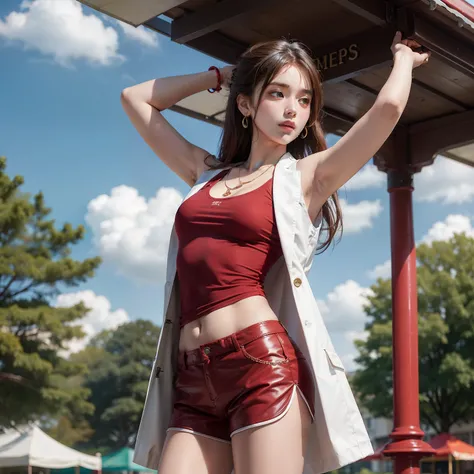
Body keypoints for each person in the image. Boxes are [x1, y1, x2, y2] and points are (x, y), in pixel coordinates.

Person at [120, 31, 430, 474]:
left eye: (304, 100)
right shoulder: (205, 174)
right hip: (190, 374)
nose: (292, 110)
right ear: (245, 104)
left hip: (258, 364)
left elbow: (386, 111)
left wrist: (401, 60)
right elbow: (135, 99)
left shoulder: (307, 178)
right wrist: (222, 76)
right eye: (277, 93)